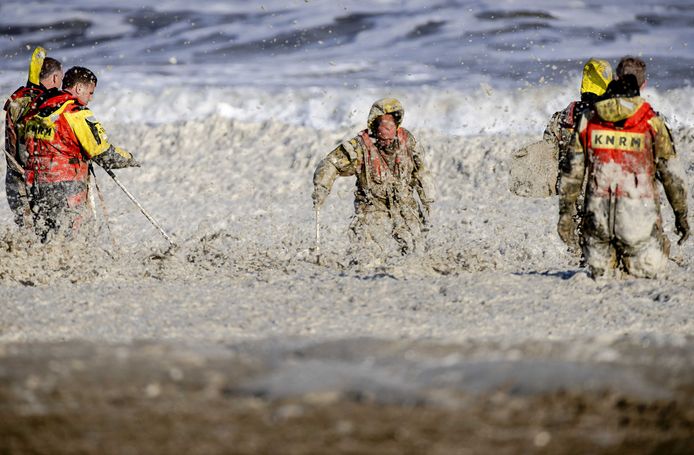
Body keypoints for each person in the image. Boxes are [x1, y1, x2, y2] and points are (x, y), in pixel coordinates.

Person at [557, 71, 689, 278]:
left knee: (600, 269)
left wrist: (565, 216)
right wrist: (681, 216)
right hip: (637, 226)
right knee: (651, 263)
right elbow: (672, 176)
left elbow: (571, 174)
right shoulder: (651, 122)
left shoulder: (587, 120)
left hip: (597, 225)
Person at [23, 66, 139, 241]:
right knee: (74, 239)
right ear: (79, 88)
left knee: (47, 238)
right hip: (67, 186)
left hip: (37, 185)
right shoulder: (76, 113)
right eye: (90, 93)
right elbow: (103, 153)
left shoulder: (38, 111)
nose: (90, 99)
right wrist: (130, 159)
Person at [312, 98, 435, 255]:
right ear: (374, 125)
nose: (387, 130)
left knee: (415, 248)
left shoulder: (407, 141)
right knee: (367, 251)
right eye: (383, 125)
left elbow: (421, 170)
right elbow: (331, 163)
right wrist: (322, 188)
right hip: (372, 206)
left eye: (391, 125)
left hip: (404, 204)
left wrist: (428, 199)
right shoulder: (359, 146)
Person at [3, 48, 63, 227]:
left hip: (13, 177)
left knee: (27, 233)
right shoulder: (46, 105)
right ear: (54, 78)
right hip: (35, 178)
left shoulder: (18, 100)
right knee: (47, 230)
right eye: (60, 77)